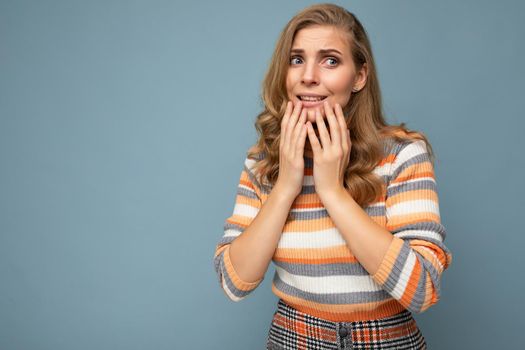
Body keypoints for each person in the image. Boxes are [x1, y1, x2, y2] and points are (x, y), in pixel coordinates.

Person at [213, 3, 452, 349]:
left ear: (359, 77)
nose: (308, 76)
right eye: (296, 59)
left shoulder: (402, 154)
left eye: (330, 60)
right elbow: (234, 283)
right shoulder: (263, 162)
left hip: (387, 340)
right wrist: (284, 188)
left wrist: (332, 190)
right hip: (293, 339)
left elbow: (422, 289)